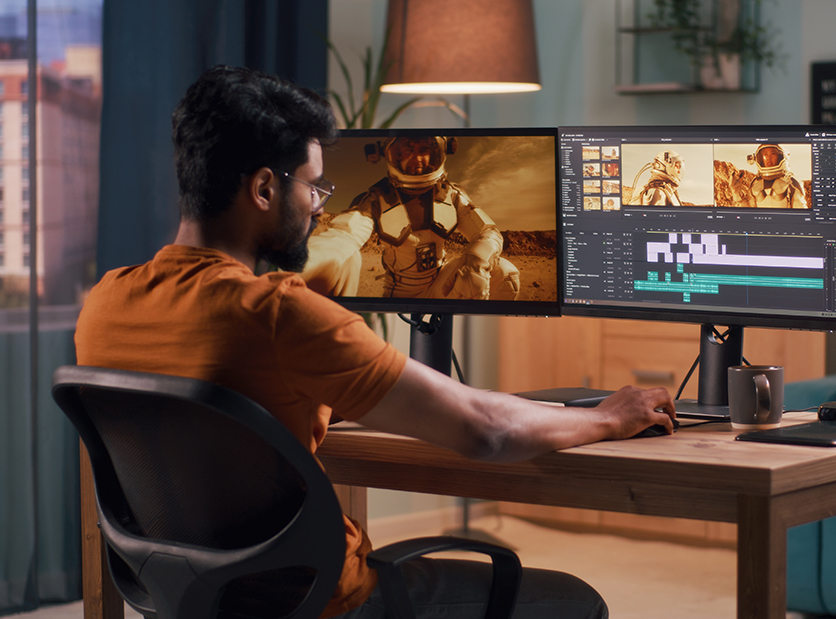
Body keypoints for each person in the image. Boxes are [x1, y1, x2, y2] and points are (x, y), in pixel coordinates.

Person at [73, 65, 675, 619]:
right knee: (577, 602)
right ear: (263, 189)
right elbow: (485, 430)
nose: (315, 208)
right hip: (322, 602)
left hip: (191, 597)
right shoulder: (280, 314)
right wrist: (607, 417)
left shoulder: (103, 306)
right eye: (312, 188)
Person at [302, 135, 520, 300]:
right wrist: (300, 262)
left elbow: (488, 232)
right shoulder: (378, 199)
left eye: (424, 149)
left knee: (506, 275)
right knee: (341, 260)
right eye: (408, 150)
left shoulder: (451, 195)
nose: (417, 158)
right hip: (401, 294)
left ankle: (461, 328)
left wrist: (477, 258)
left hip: (441, 284)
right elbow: (343, 237)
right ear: (392, 154)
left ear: (438, 152)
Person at [728, 144, 807, 209]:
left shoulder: (791, 183)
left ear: (781, 156)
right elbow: (749, 211)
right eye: (765, 154)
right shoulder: (755, 183)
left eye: (772, 154)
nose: (768, 158)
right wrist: (736, 192)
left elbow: (801, 215)